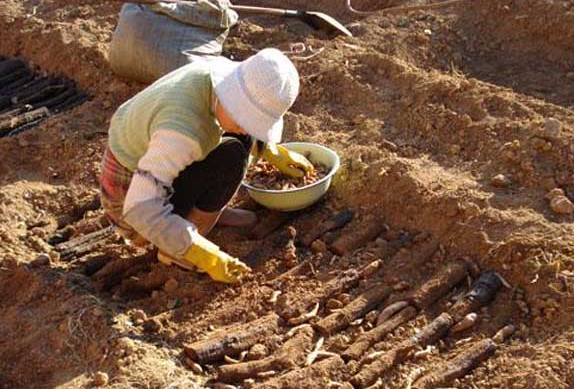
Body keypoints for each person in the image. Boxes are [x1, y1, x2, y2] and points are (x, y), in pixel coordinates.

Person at [99, 48, 313, 284]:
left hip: (148, 160)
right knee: (230, 160)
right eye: (246, 118)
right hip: (128, 200)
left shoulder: (214, 78)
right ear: (230, 94)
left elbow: (236, 124)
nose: (248, 126)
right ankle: (176, 250)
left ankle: (201, 210)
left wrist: (271, 152)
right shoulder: (180, 134)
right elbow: (141, 208)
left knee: (242, 139)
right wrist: (204, 254)